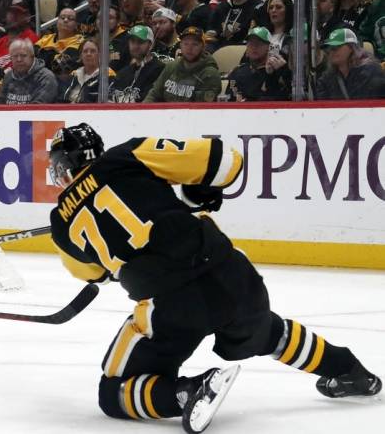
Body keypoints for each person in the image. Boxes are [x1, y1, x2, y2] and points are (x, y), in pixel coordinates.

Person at [47, 122, 382, 433]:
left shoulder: (62, 221)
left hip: (170, 305)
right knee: (266, 330)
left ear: (63, 166)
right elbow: (225, 161)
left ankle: (185, 392)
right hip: (230, 273)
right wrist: (193, 196)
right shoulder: (127, 156)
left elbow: (95, 275)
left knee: (114, 393)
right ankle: (348, 369)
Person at [144, 27, 222, 102]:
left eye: (195, 44)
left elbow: (202, 109)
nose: (189, 48)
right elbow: (154, 94)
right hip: (166, 113)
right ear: (180, 45)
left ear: (203, 47)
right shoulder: (172, 66)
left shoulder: (210, 74)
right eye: (185, 43)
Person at [316, 28, 385, 99]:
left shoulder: (371, 73)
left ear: (352, 47)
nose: (332, 51)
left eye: (336, 47)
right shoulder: (327, 78)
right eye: (329, 48)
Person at [224, 27, 291, 101]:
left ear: (269, 47)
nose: (254, 47)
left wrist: (282, 72)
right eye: (251, 43)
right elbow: (231, 97)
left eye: (259, 43)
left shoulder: (277, 71)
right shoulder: (237, 72)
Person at [109, 25, 166, 103]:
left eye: (140, 42)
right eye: (132, 41)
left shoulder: (159, 69)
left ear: (151, 45)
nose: (135, 46)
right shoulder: (124, 73)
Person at [0, 38, 58, 104]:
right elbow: (0, 102)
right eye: (15, 56)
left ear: (32, 57)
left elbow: (39, 108)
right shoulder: (8, 76)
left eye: (23, 56)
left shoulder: (46, 77)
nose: (19, 59)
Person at [0, 0, 39, 70]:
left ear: (27, 17)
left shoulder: (31, 40)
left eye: (18, 13)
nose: (13, 16)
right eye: (10, 12)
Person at [63, 38, 116, 103]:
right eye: (85, 51)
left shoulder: (108, 75)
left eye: (93, 51)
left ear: (100, 55)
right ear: (81, 56)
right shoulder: (74, 75)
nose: (88, 54)